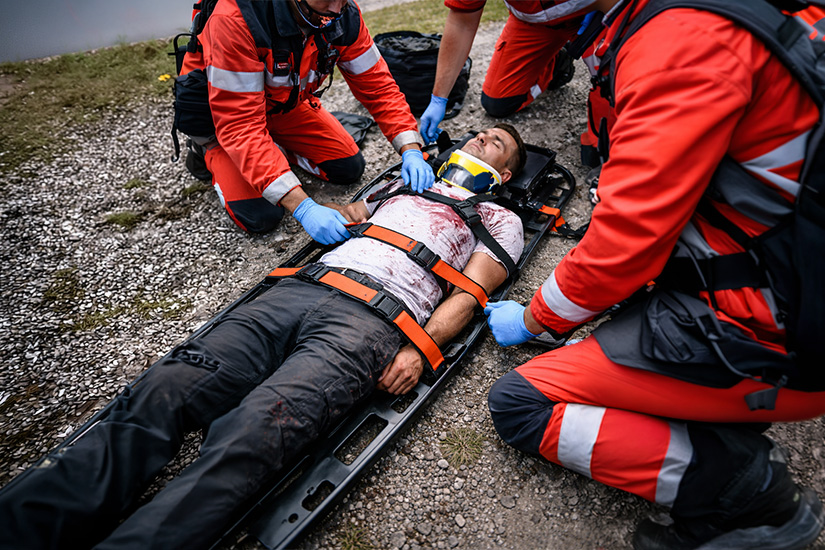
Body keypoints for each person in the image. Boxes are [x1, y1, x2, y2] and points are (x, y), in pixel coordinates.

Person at [0, 125, 526, 550]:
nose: (481, 137)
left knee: (254, 433)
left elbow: (469, 294)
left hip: (372, 322)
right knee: (163, 389)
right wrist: (348, 212)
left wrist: (418, 349)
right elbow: (352, 217)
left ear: (503, 173)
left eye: (496, 141)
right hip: (300, 290)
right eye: (479, 133)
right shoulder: (403, 182)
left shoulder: (499, 218)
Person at [483, 1, 825, 549]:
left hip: (770, 336)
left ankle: (743, 491)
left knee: (521, 404)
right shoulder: (710, 13)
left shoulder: (679, 39)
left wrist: (533, 320)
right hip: (795, 284)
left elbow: (622, 246)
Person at [181, 0, 434, 241]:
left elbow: (377, 86)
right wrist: (302, 206)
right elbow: (241, 125)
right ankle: (206, 150)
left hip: (283, 107)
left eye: (343, 0)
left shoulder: (344, 15)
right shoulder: (237, 19)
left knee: (348, 167)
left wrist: (410, 149)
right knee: (261, 216)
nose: (336, 10)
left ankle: (274, 151)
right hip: (223, 121)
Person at [418, 0, 595, 145]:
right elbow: (462, 22)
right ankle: (556, 61)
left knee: (607, 92)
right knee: (498, 102)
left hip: (593, 15)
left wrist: (604, 7)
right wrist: (439, 98)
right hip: (535, 25)